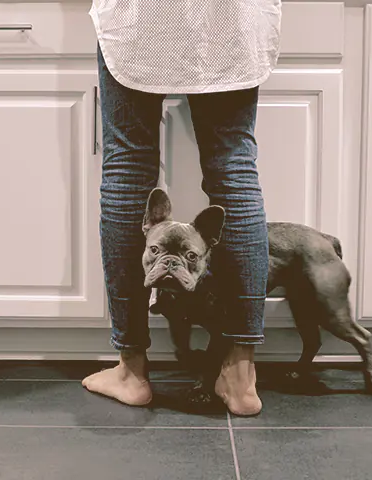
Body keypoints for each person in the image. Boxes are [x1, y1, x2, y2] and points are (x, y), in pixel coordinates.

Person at [81, 0, 282, 416]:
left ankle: (131, 371)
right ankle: (241, 378)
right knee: (234, 166)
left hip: (144, 13)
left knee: (128, 165)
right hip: (231, 13)